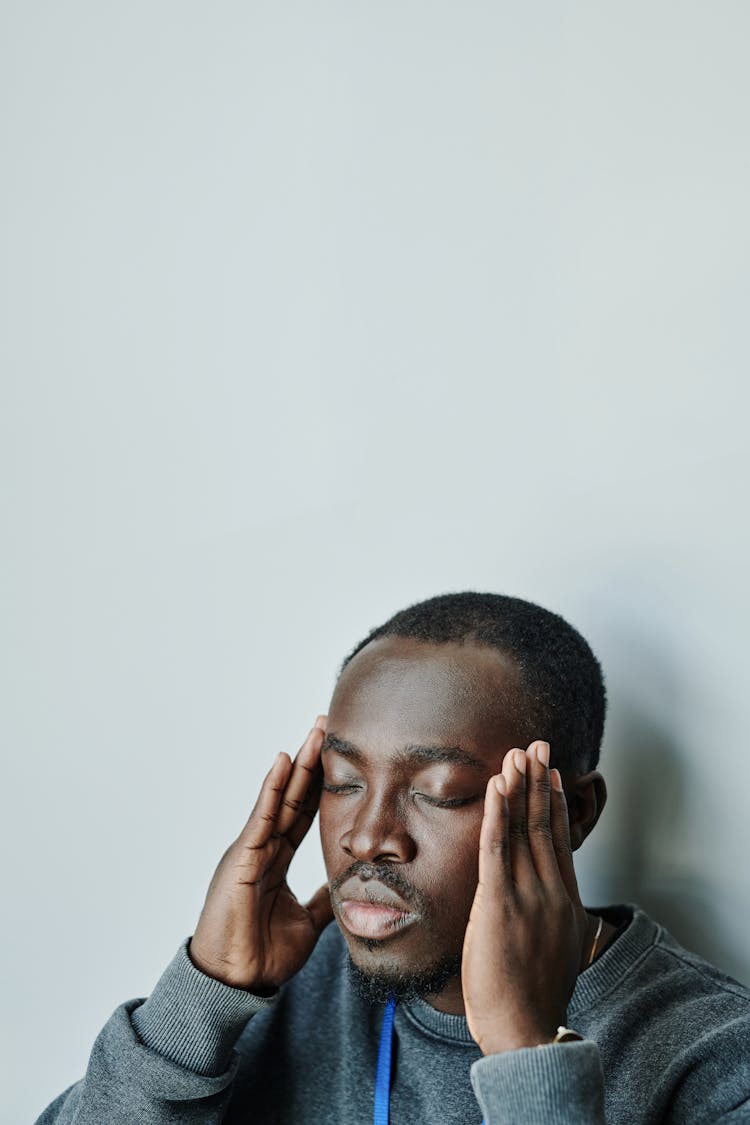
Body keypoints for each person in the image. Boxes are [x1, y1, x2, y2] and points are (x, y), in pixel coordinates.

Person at [37, 592, 750, 1124]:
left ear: (575, 814)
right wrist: (202, 996)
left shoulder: (718, 1056)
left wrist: (528, 1056)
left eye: (438, 792)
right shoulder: (290, 990)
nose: (366, 834)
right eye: (342, 781)